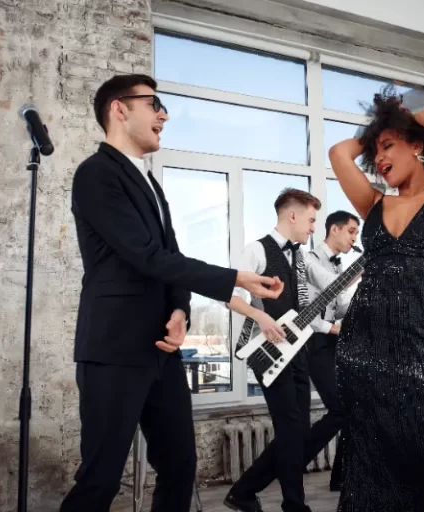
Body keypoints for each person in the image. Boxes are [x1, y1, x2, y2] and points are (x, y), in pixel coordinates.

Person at [61, 74, 283, 512]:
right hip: (114, 349)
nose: (164, 114)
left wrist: (180, 310)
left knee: (181, 465)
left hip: (162, 349)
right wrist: (235, 278)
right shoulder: (96, 174)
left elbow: (171, 257)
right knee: (101, 479)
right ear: (119, 110)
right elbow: (145, 256)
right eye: (154, 103)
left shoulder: (151, 183)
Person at [328, 93, 424, 511]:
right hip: (363, 352)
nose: (378, 159)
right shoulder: (376, 204)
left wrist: (399, 119)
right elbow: (339, 152)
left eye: (388, 147)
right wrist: (379, 133)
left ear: (416, 145)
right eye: (376, 153)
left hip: (423, 352)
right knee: (370, 466)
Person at [223, 189, 350, 512]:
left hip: (298, 352)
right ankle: (293, 505)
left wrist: (358, 271)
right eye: (310, 220)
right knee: (292, 428)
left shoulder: (301, 257)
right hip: (268, 353)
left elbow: (329, 283)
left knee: (296, 430)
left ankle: (244, 491)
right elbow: (229, 294)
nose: (312, 228)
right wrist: (261, 316)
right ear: (292, 216)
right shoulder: (256, 250)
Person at [305, 210, 360, 492]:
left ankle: (341, 476)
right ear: (335, 230)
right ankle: (296, 458)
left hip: (332, 342)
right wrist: (334, 329)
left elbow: (336, 307)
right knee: (340, 409)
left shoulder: (336, 267)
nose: (354, 238)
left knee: (351, 406)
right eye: (351, 231)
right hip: (313, 343)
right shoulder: (308, 261)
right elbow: (305, 314)